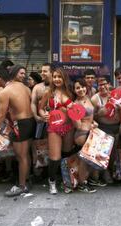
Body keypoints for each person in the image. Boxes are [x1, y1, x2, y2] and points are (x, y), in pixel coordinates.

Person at [0, 65, 35, 197]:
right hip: (30, 122)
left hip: (20, 124)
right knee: (26, 155)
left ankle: (22, 186)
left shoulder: (5, 92)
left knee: (21, 156)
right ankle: (26, 180)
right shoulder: (25, 87)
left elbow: (0, 116)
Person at [38, 67, 74, 195]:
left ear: (64, 78)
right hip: (54, 128)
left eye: (60, 77)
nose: (57, 79)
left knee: (66, 155)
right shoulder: (49, 93)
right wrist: (44, 115)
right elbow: (40, 108)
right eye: (55, 77)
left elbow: (78, 110)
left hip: (69, 127)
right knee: (55, 157)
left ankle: (65, 181)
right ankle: (52, 182)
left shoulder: (71, 92)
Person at [71, 78, 97, 193]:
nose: (81, 89)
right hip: (82, 134)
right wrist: (89, 126)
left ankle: (85, 180)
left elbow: (89, 117)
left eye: (82, 87)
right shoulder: (75, 105)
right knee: (84, 160)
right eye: (77, 88)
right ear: (74, 90)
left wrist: (93, 122)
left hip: (90, 132)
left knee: (89, 160)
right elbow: (77, 125)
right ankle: (82, 184)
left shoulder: (87, 98)